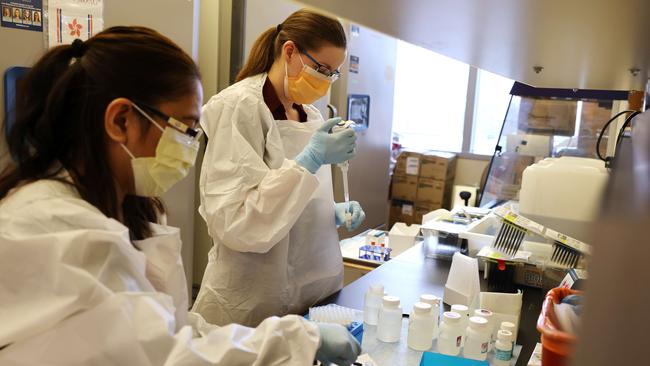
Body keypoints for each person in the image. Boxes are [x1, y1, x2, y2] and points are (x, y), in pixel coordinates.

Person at [0, 27, 360, 366]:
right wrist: (294, 340)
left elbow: (166, 327)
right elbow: (166, 356)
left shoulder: (122, 208)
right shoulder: (57, 228)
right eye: (184, 129)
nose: (191, 146)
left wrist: (291, 337)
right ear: (121, 120)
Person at [193, 8, 366, 327]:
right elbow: (237, 222)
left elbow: (296, 195)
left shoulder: (312, 116)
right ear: (290, 51)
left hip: (313, 289)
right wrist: (310, 160)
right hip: (250, 298)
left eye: (333, 73)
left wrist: (329, 210)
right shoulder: (239, 108)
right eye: (322, 69)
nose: (326, 82)